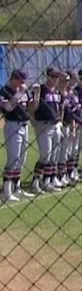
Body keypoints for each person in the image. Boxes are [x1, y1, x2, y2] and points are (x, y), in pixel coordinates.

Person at [1, 70, 33, 203]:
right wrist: (19, 93)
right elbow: (8, 107)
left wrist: (35, 97)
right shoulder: (5, 91)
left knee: (22, 159)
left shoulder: (24, 91)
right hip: (12, 125)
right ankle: (6, 191)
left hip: (24, 125)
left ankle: (16, 187)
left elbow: (30, 107)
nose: (23, 83)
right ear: (14, 79)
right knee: (13, 158)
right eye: (21, 80)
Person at [32, 66, 65, 194]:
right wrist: (34, 123)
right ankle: (35, 182)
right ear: (47, 76)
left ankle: (48, 181)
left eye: (57, 77)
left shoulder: (57, 92)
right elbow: (33, 108)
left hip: (55, 125)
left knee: (53, 156)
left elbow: (61, 108)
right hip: (44, 125)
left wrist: (61, 123)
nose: (55, 79)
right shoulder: (41, 90)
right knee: (45, 155)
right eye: (53, 76)